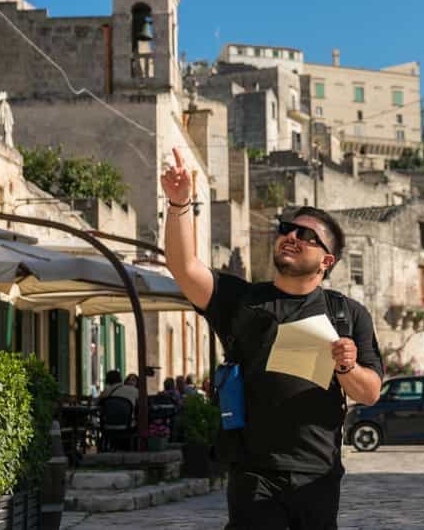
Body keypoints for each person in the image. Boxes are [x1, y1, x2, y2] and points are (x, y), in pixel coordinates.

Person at [161, 147, 383, 530]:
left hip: (318, 473)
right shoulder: (241, 300)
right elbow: (184, 267)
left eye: (307, 235)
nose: (291, 236)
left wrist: (345, 365)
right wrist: (179, 203)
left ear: (327, 260)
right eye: (286, 229)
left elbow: (369, 392)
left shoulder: (346, 314)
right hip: (253, 472)